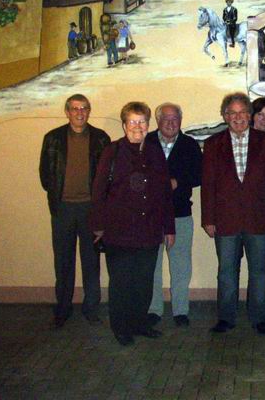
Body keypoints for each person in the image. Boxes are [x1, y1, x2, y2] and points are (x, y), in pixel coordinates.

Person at [90, 102, 175, 346]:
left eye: (142, 122)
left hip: (149, 231)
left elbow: (164, 194)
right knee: (122, 283)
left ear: (148, 124)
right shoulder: (112, 152)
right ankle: (121, 327)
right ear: (124, 124)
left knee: (144, 282)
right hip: (120, 232)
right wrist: (98, 226)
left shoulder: (155, 152)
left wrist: (169, 227)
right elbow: (98, 191)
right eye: (133, 121)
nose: (138, 126)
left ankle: (139, 323)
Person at [201, 93, 265, 335]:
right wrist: (208, 219)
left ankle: (259, 318)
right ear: (225, 116)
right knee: (226, 272)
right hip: (225, 220)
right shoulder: (213, 144)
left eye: (242, 112)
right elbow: (208, 185)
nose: (238, 117)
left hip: (259, 218)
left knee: (258, 272)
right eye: (232, 113)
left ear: (250, 115)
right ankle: (226, 318)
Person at [39, 94, 110, 328]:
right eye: (75, 108)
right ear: (67, 111)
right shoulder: (53, 139)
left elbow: (107, 176)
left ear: (89, 111)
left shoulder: (101, 138)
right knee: (63, 262)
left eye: (84, 108)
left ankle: (91, 308)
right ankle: (62, 309)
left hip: (90, 209)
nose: (80, 113)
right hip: (63, 209)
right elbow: (45, 175)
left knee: (91, 262)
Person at [146, 103, 203, 328]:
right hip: (150, 215)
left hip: (180, 213)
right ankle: (154, 309)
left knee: (181, 266)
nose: (171, 123)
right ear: (157, 121)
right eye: (166, 119)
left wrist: (178, 181)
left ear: (181, 120)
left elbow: (199, 175)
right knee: (152, 265)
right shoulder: (147, 142)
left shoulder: (189, 144)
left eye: (175, 119)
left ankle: (180, 310)